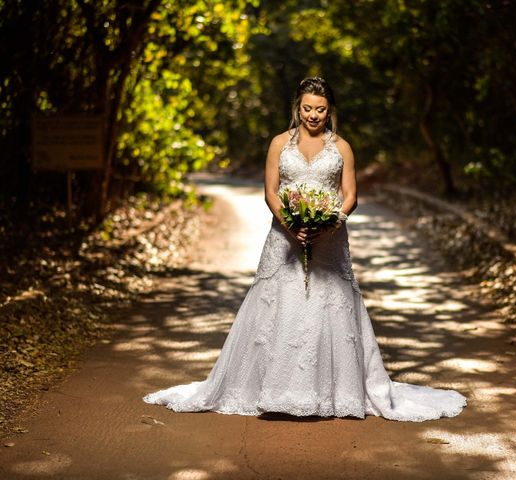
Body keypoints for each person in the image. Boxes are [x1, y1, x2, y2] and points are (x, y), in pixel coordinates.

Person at [143, 77, 468, 421]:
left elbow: (351, 195)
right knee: (280, 304)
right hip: (284, 237)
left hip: (330, 239)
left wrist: (330, 223)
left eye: (321, 110)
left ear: (330, 112)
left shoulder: (342, 147)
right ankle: (271, 390)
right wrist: (291, 225)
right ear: (297, 108)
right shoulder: (279, 144)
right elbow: (270, 192)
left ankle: (332, 392)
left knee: (329, 305)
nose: (313, 115)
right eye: (307, 108)